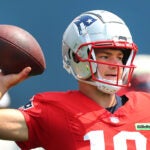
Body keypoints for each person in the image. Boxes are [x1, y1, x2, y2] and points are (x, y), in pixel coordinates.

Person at [0, 9, 149, 150]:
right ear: (77, 58)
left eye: (120, 57)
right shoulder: (53, 111)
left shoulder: (145, 106)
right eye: (105, 56)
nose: (116, 65)